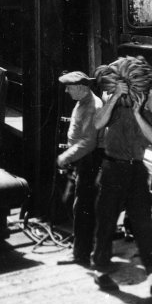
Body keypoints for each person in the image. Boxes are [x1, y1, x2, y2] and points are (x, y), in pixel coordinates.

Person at [91, 79, 152, 295]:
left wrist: (139, 113)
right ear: (149, 93)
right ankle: (101, 272)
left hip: (137, 171)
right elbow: (97, 123)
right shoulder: (121, 105)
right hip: (113, 168)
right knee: (106, 222)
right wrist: (114, 98)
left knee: (144, 226)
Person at [55, 71, 103, 267]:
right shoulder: (84, 101)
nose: (66, 91)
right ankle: (84, 247)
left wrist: (66, 156)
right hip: (82, 159)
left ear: (82, 88)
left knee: (82, 207)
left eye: (69, 87)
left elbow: (88, 142)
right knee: (77, 203)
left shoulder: (92, 106)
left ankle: (81, 254)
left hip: (89, 159)